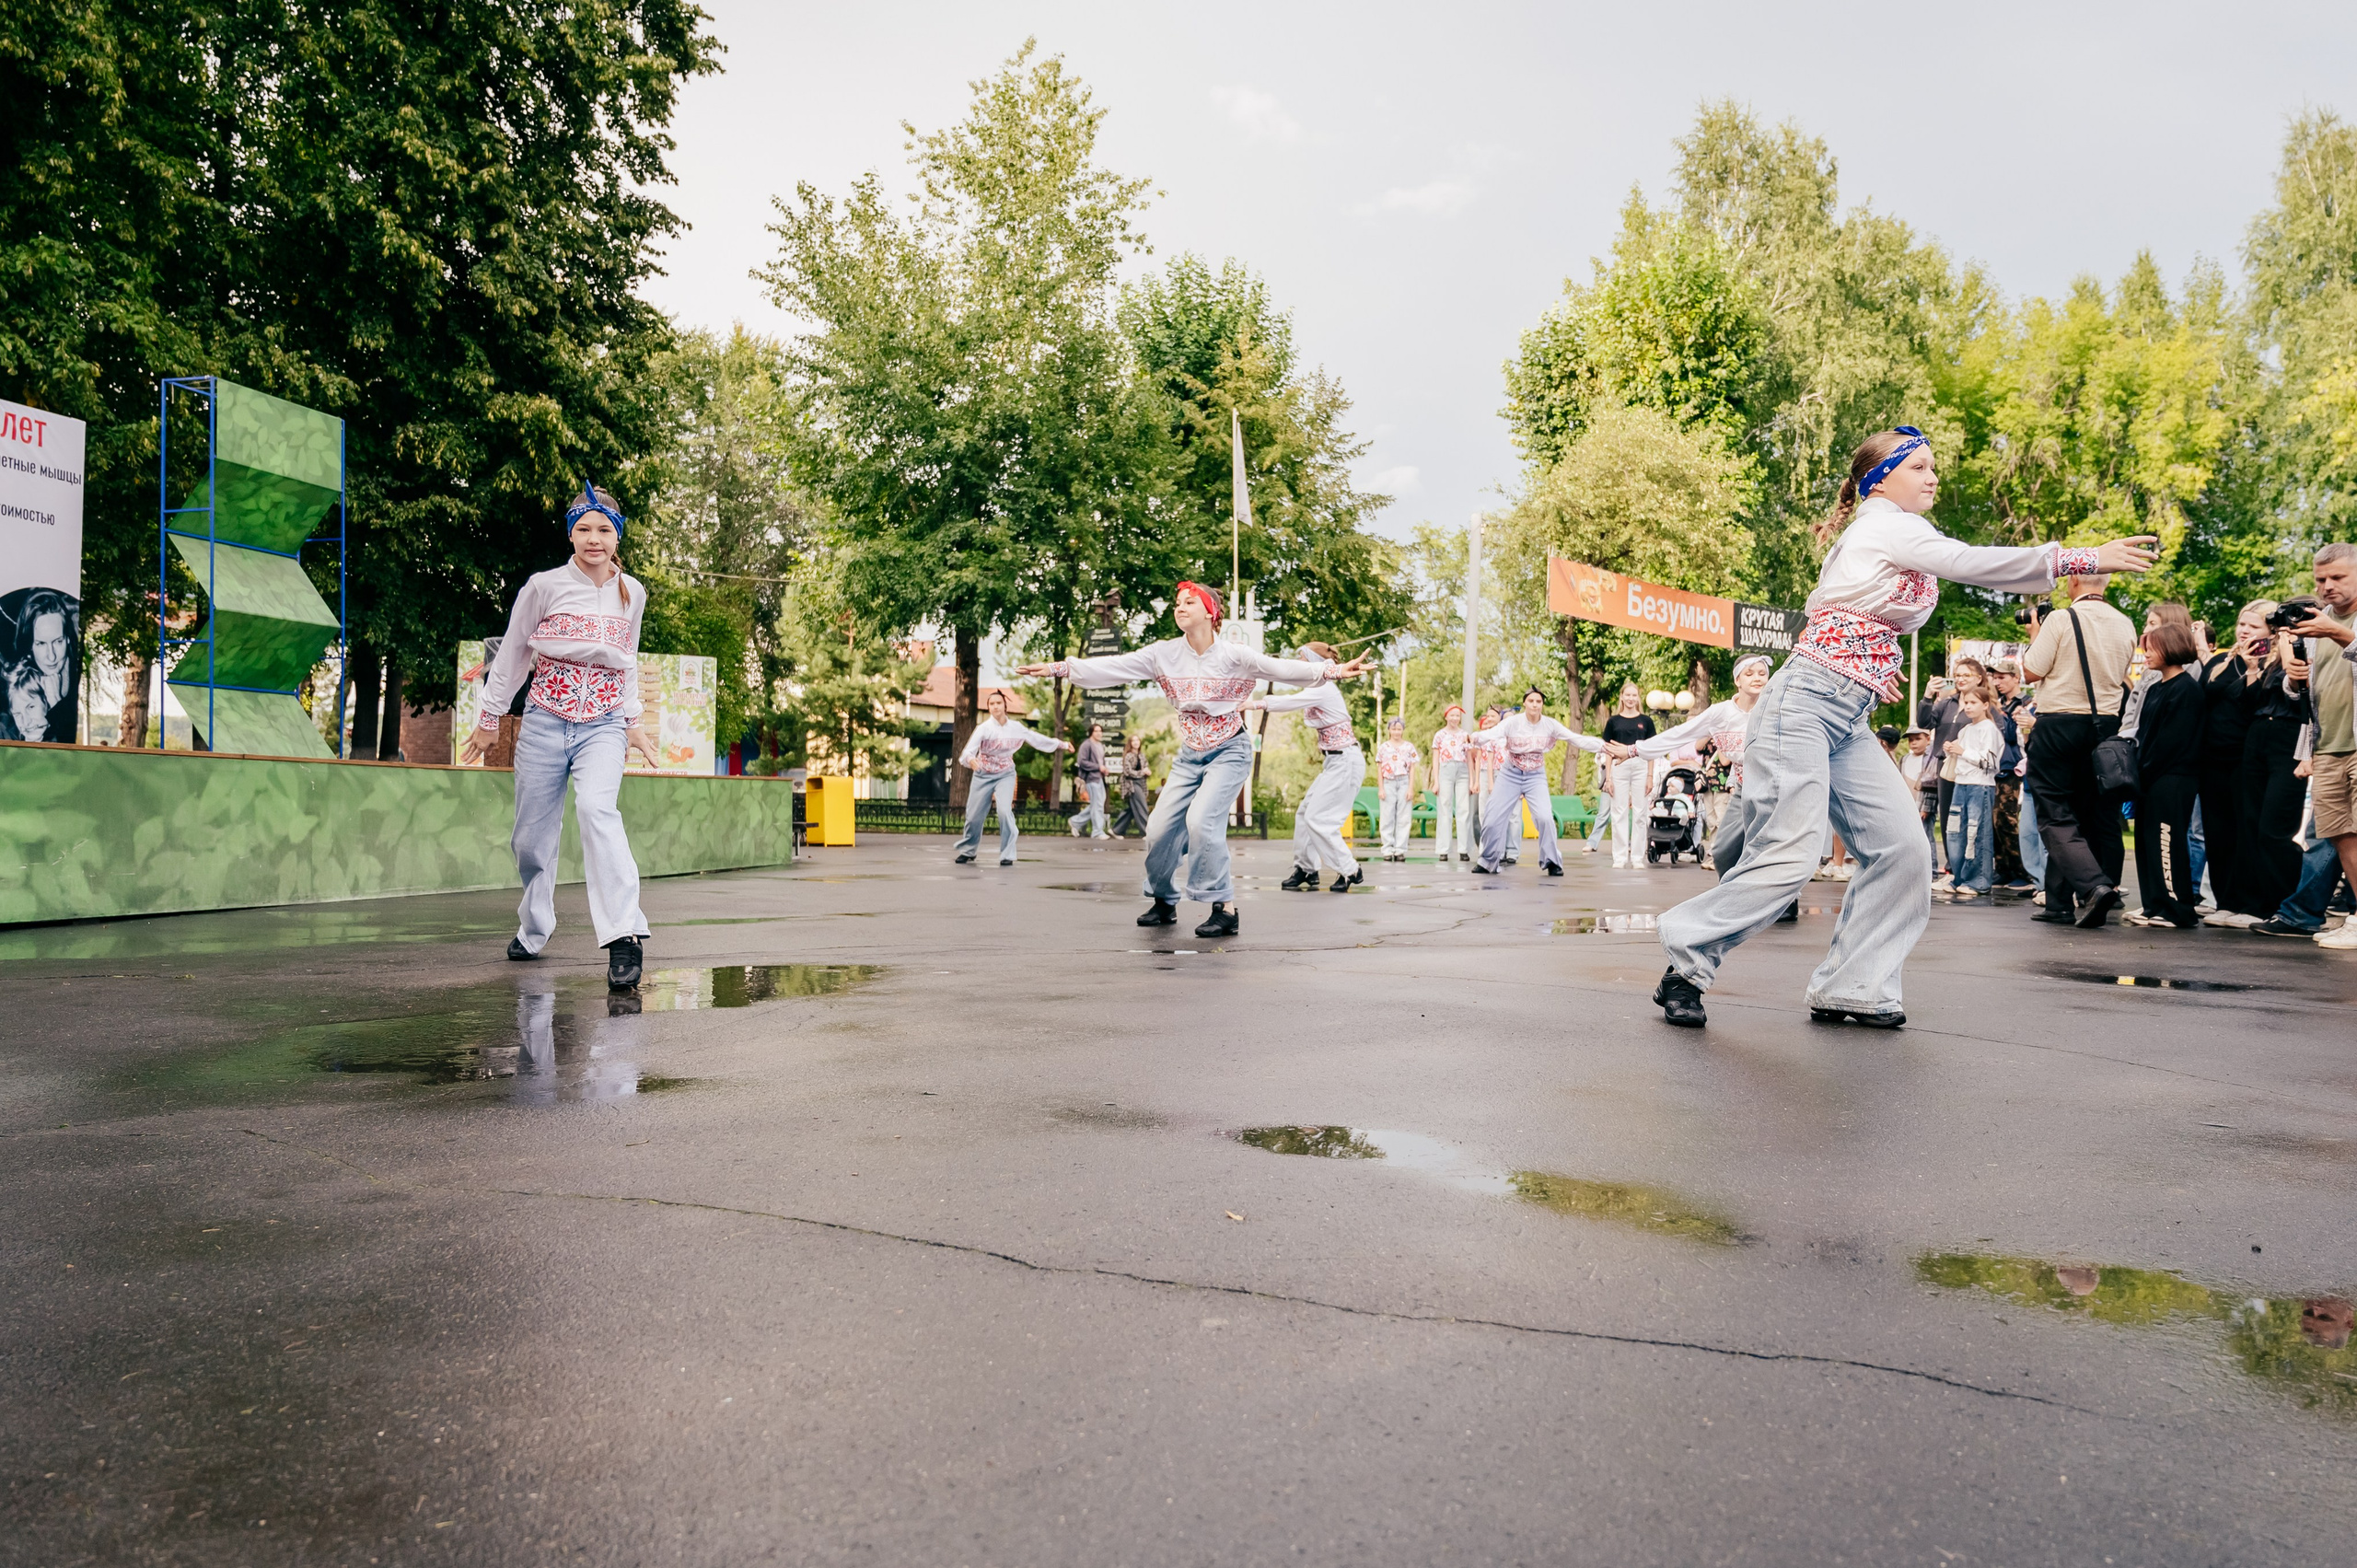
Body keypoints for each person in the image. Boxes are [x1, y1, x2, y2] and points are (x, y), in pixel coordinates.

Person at [1651, 425, 2155, 1028]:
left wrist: (1871, 668)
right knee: (1788, 858)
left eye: (1933, 466)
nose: (1933, 476)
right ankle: (1686, 963)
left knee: (1904, 852)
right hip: (1804, 708)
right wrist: (2081, 557)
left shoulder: (1889, 529)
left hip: (1844, 714)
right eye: (1919, 465)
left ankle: (1852, 983)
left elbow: (1849, 618)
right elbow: (1968, 563)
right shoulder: (1886, 522)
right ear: (1881, 478)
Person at [1018, 581, 1370, 937]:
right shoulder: (1163, 654)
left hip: (1229, 752)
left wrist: (1332, 671)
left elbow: (1281, 669)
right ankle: (1163, 900)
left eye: (1189, 601)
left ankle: (1225, 908)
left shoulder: (1236, 655)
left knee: (1202, 821)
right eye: (1177, 603)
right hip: (1189, 756)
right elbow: (1114, 666)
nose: (1180, 607)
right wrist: (1058, 668)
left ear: (1210, 612)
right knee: (1158, 829)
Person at [464, 482, 661, 990]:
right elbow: (511, 655)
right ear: (570, 534)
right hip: (545, 719)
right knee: (531, 837)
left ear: (617, 537)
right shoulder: (543, 586)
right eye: (583, 529)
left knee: (598, 810)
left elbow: (628, 661)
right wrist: (491, 719)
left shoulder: (632, 592)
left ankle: (623, 936)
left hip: (603, 723)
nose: (593, 539)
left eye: (603, 530)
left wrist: (633, 720)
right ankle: (535, 926)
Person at [2022, 568, 2140, 927]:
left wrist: (2035, 633)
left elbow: (2030, 670)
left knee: (2054, 812)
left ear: (2073, 583)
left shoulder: (2061, 618)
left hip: (2059, 720)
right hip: (2105, 725)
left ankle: (2093, 887)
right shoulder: (2126, 623)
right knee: (2085, 812)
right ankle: (2058, 902)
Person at [2270, 544, 2357, 946]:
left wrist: (2339, 634)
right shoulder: (2316, 626)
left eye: (2337, 577)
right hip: (2327, 746)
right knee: (2341, 837)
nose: (2327, 587)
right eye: (2321, 579)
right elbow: (2302, 695)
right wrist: (2292, 676)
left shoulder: (2330, 627)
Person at [1633, 654, 1772, 874]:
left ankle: (1784, 903)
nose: (1757, 678)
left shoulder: (1774, 710)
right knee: (1723, 852)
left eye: (1762, 674)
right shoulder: (1722, 713)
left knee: (1767, 849)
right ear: (1737, 680)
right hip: (1743, 788)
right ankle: (1730, 898)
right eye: (1750, 673)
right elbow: (1680, 733)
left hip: (1772, 788)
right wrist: (1635, 749)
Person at [1248, 648, 1363, 892]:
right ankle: (1307, 869)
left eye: (1302, 660)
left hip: (1346, 761)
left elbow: (1289, 702)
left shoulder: (1323, 688)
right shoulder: (1316, 688)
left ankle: (1350, 869)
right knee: (1304, 813)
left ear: (1314, 662)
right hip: (1334, 761)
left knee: (1319, 819)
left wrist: (1255, 703)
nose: (1299, 664)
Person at [1467, 689, 1608, 877]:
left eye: (1538, 701)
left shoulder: (1550, 725)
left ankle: (1552, 861)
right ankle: (1487, 861)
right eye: (1531, 700)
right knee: (1492, 818)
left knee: (1544, 817)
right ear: (1525, 703)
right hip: (1511, 773)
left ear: (1542, 704)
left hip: (1535, 775)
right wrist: (1474, 737)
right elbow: (1492, 733)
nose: (1534, 704)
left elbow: (1576, 739)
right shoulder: (1512, 723)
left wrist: (1603, 745)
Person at [2125, 618, 2203, 928]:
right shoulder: (2156, 687)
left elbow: (2172, 742)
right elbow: (2145, 735)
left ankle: (2177, 908)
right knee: (2146, 842)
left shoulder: (2186, 689)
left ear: (2170, 648)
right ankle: (2153, 905)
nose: (2146, 654)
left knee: (2165, 841)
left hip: (2172, 779)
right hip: (2150, 778)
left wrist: (2144, 769)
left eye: (2152, 648)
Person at [2195, 603, 2264, 925]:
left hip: (2244, 759)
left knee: (2243, 833)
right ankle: (2223, 900)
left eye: (2254, 625)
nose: (2244, 630)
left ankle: (2245, 901)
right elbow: (2201, 704)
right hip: (2211, 759)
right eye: (2241, 623)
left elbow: (2255, 707)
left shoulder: (2270, 663)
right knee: (2216, 833)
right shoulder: (2221, 661)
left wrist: (2253, 670)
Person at [955, 690, 1069, 865]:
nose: (995, 707)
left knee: (1004, 811)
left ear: (1005, 706)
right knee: (974, 816)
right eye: (991, 704)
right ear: (988, 708)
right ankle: (969, 850)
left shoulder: (1016, 728)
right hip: (983, 774)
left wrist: (1061, 744)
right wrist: (972, 760)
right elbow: (967, 752)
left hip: (1005, 774)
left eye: (998, 703)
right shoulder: (984, 729)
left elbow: (1036, 739)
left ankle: (1007, 854)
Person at [1945, 691, 2003, 898]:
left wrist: (1962, 752)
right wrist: (1951, 750)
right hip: (1961, 783)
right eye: (1966, 702)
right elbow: (1960, 756)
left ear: (1985, 705)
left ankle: (1979, 880)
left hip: (1980, 785)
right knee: (1956, 832)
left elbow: (1991, 762)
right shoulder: (1966, 729)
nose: (1968, 706)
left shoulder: (1989, 729)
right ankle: (1959, 877)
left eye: (1973, 702)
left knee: (1977, 832)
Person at [1987, 659, 2034, 889]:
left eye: (2002, 677)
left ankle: (2021, 871)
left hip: (2014, 769)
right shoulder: (1996, 703)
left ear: (2016, 678)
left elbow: (2017, 737)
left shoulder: (2025, 703)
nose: (1997, 682)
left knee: (2009, 820)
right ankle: (2003, 868)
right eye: (1995, 677)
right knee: (1994, 821)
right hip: (1994, 768)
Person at [1598, 683, 1655, 868]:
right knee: (1619, 811)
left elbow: (1651, 750)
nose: (1631, 698)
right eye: (1627, 695)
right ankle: (1620, 857)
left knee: (1640, 812)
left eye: (1634, 695)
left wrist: (1650, 776)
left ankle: (1638, 857)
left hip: (1640, 765)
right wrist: (1608, 777)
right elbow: (1607, 749)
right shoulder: (1613, 721)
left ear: (1638, 698)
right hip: (1618, 766)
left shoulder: (1646, 721)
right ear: (1621, 697)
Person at [1430, 705, 1475, 862]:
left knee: (1464, 809)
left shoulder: (1464, 735)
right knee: (1445, 808)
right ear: (1446, 717)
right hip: (1446, 770)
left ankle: (1464, 849)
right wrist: (1436, 781)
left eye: (1457, 716)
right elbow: (1435, 759)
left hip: (1462, 771)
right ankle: (1443, 849)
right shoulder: (1440, 735)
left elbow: (1469, 758)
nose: (1455, 718)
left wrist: (1472, 780)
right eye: (1452, 715)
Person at [1375, 717, 1419, 862]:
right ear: (1389, 730)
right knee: (1387, 816)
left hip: (1404, 781)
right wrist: (1381, 788)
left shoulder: (1409, 747)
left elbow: (1412, 768)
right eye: (1393, 729)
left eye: (1399, 729)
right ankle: (1387, 848)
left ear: (1403, 730)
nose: (1396, 732)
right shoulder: (1384, 747)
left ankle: (1400, 849)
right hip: (1388, 782)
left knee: (1404, 817)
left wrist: (1411, 788)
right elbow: (1379, 767)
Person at [1067, 722, 1109, 839]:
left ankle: (1075, 821)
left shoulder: (1100, 745)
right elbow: (1082, 762)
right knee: (1098, 805)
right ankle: (1097, 831)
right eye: (1096, 731)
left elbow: (1101, 762)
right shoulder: (1086, 745)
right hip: (1090, 778)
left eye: (1100, 731)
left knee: (1097, 804)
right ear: (1091, 732)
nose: (1099, 733)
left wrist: (1104, 769)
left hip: (1099, 778)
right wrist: (1098, 767)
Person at [1113, 735, 1152, 838]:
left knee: (1131, 809)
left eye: (1137, 740)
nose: (1136, 742)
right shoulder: (1128, 756)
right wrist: (1141, 772)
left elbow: (1146, 767)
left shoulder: (1142, 755)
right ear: (1130, 743)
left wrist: (1147, 771)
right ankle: (1146, 832)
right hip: (1131, 784)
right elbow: (1127, 772)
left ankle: (1116, 830)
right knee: (1142, 807)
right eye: (1133, 741)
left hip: (1141, 783)